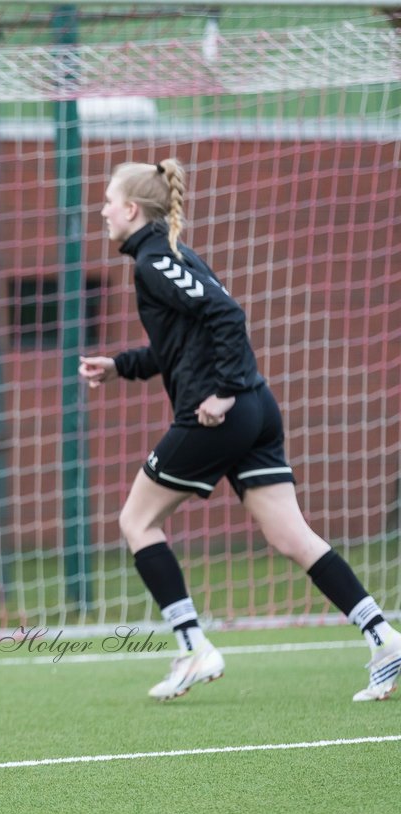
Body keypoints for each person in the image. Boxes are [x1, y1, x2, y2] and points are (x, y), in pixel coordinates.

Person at [80, 158, 401, 702]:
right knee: (290, 536)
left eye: (109, 200)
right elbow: (177, 346)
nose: (103, 210)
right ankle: (383, 637)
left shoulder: (156, 261)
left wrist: (223, 392)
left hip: (221, 414)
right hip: (255, 408)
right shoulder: (165, 258)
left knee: (137, 520)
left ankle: (193, 647)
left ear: (132, 209)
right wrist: (120, 366)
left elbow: (228, 314)